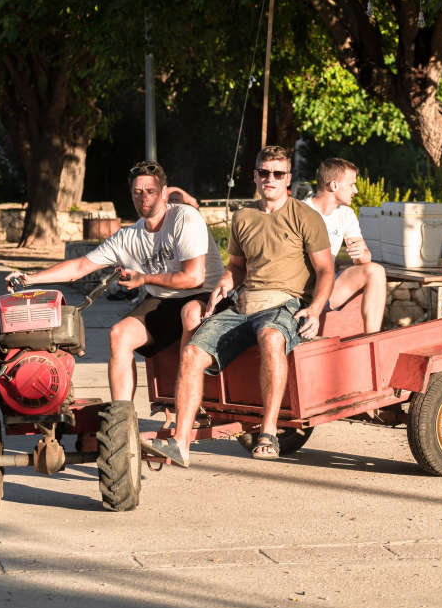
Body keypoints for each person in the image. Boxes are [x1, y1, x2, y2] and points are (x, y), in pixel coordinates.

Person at [143, 145, 334, 466]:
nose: (270, 179)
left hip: (284, 303)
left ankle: (269, 432)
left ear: (288, 178)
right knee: (191, 353)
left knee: (272, 338)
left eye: (277, 174)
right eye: (264, 172)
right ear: (255, 176)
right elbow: (237, 267)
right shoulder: (244, 216)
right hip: (244, 304)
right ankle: (180, 443)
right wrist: (224, 284)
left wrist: (315, 308)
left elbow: (326, 269)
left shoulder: (306, 217)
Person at [6, 161, 227, 402]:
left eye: (151, 191)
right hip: (163, 300)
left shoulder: (184, 217)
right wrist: (29, 279)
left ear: (164, 193)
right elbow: (79, 267)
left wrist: (143, 278)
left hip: (207, 297)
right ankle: (122, 418)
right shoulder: (128, 236)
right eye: (137, 191)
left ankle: (191, 406)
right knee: (119, 334)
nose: (144, 197)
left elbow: (194, 278)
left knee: (190, 312)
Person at [303, 158, 386, 333]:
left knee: (376, 270)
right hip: (301, 288)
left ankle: (372, 339)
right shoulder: (300, 211)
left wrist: (361, 254)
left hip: (328, 286)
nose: (355, 190)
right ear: (333, 185)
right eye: (351, 185)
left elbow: (364, 258)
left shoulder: (346, 214)